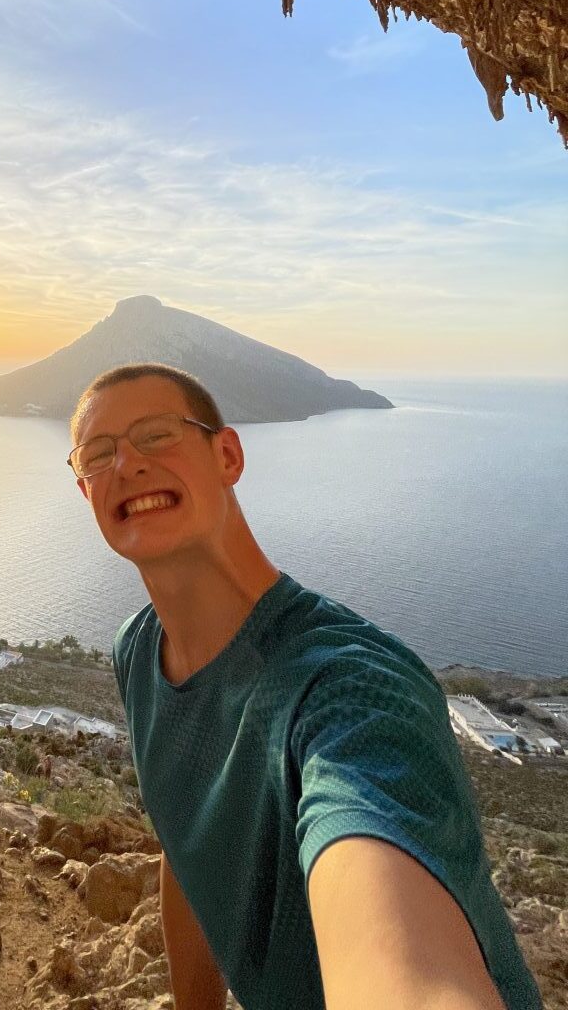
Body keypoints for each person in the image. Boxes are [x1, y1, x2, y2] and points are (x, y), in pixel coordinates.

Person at [68, 363, 542, 1010]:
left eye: (155, 436)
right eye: (99, 454)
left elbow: (401, 956)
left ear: (227, 454)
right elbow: (186, 846)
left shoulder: (347, 687)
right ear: (85, 489)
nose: (126, 463)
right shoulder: (138, 650)